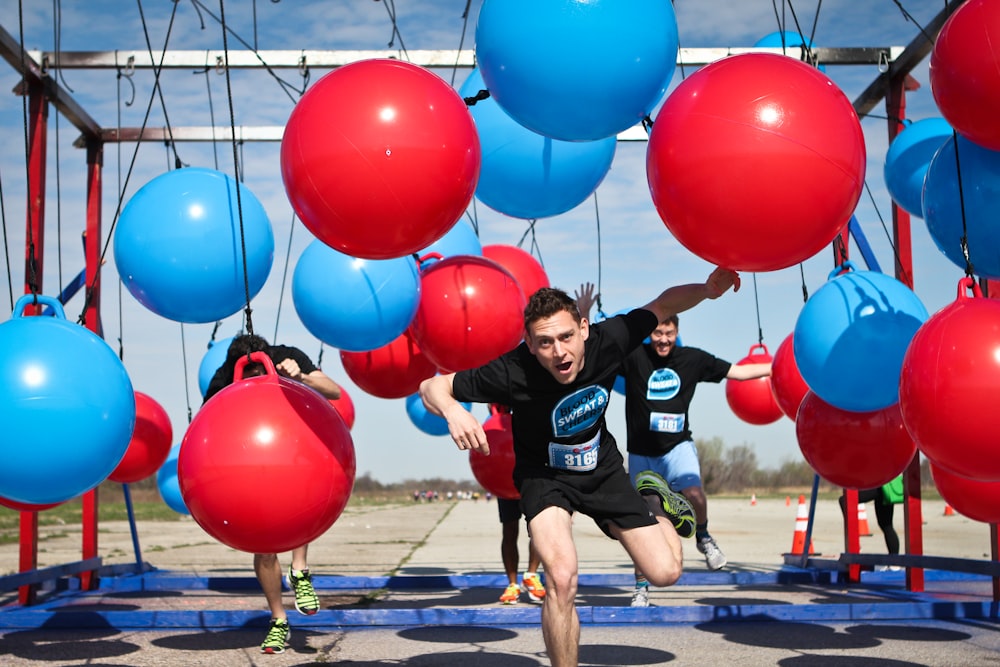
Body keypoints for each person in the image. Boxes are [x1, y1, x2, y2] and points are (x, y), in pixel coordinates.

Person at [420, 267, 740, 667]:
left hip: (603, 472)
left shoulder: (610, 340)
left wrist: (708, 290)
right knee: (561, 577)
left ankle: (656, 504)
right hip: (546, 479)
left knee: (665, 573)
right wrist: (453, 411)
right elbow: (432, 386)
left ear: (584, 329)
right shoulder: (514, 370)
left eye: (566, 337)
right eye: (545, 342)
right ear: (530, 345)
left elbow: (662, 305)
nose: (559, 352)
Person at [575, 284, 769, 604]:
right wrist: (583, 314)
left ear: (676, 332)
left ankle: (703, 537)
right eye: (658, 333)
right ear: (651, 332)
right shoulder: (634, 356)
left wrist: (783, 368)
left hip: (677, 448)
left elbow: (739, 372)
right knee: (644, 520)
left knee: (694, 493)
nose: (663, 339)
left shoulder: (691, 359)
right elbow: (593, 349)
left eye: (668, 333)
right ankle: (641, 589)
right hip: (642, 454)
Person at [204, 333, 343, 655]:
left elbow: (334, 391)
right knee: (264, 545)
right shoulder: (225, 377)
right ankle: (279, 620)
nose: (256, 381)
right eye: (249, 375)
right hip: (249, 464)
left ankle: (299, 570)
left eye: (259, 373)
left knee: (300, 508)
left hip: (293, 454)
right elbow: (208, 424)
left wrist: (300, 378)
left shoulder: (287, 357)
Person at [839, 475, 902, 569]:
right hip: (885, 484)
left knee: (845, 500)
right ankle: (894, 564)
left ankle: (855, 545)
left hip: (880, 484)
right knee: (886, 525)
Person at [497, 496, 546, 604]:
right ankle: (512, 585)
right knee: (509, 529)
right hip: (507, 484)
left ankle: (531, 576)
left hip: (533, 483)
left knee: (537, 527)